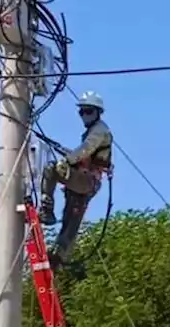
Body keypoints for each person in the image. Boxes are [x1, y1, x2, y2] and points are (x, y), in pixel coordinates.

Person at [39, 90, 113, 269]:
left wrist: (67, 160)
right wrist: (66, 153)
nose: (84, 116)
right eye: (81, 111)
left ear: (97, 112)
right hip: (84, 181)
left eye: (88, 111)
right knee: (71, 220)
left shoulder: (100, 131)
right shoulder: (93, 131)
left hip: (87, 181)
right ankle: (59, 257)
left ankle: (47, 209)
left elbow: (86, 149)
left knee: (52, 169)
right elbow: (84, 154)